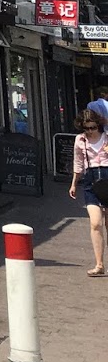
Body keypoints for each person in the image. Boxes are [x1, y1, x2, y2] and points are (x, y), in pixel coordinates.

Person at [69, 103, 108, 276]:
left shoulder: (107, 137)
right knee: (95, 222)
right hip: (91, 181)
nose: (90, 131)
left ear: (98, 124)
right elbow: (78, 163)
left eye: (93, 127)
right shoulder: (80, 140)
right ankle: (99, 264)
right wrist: (74, 183)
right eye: (86, 128)